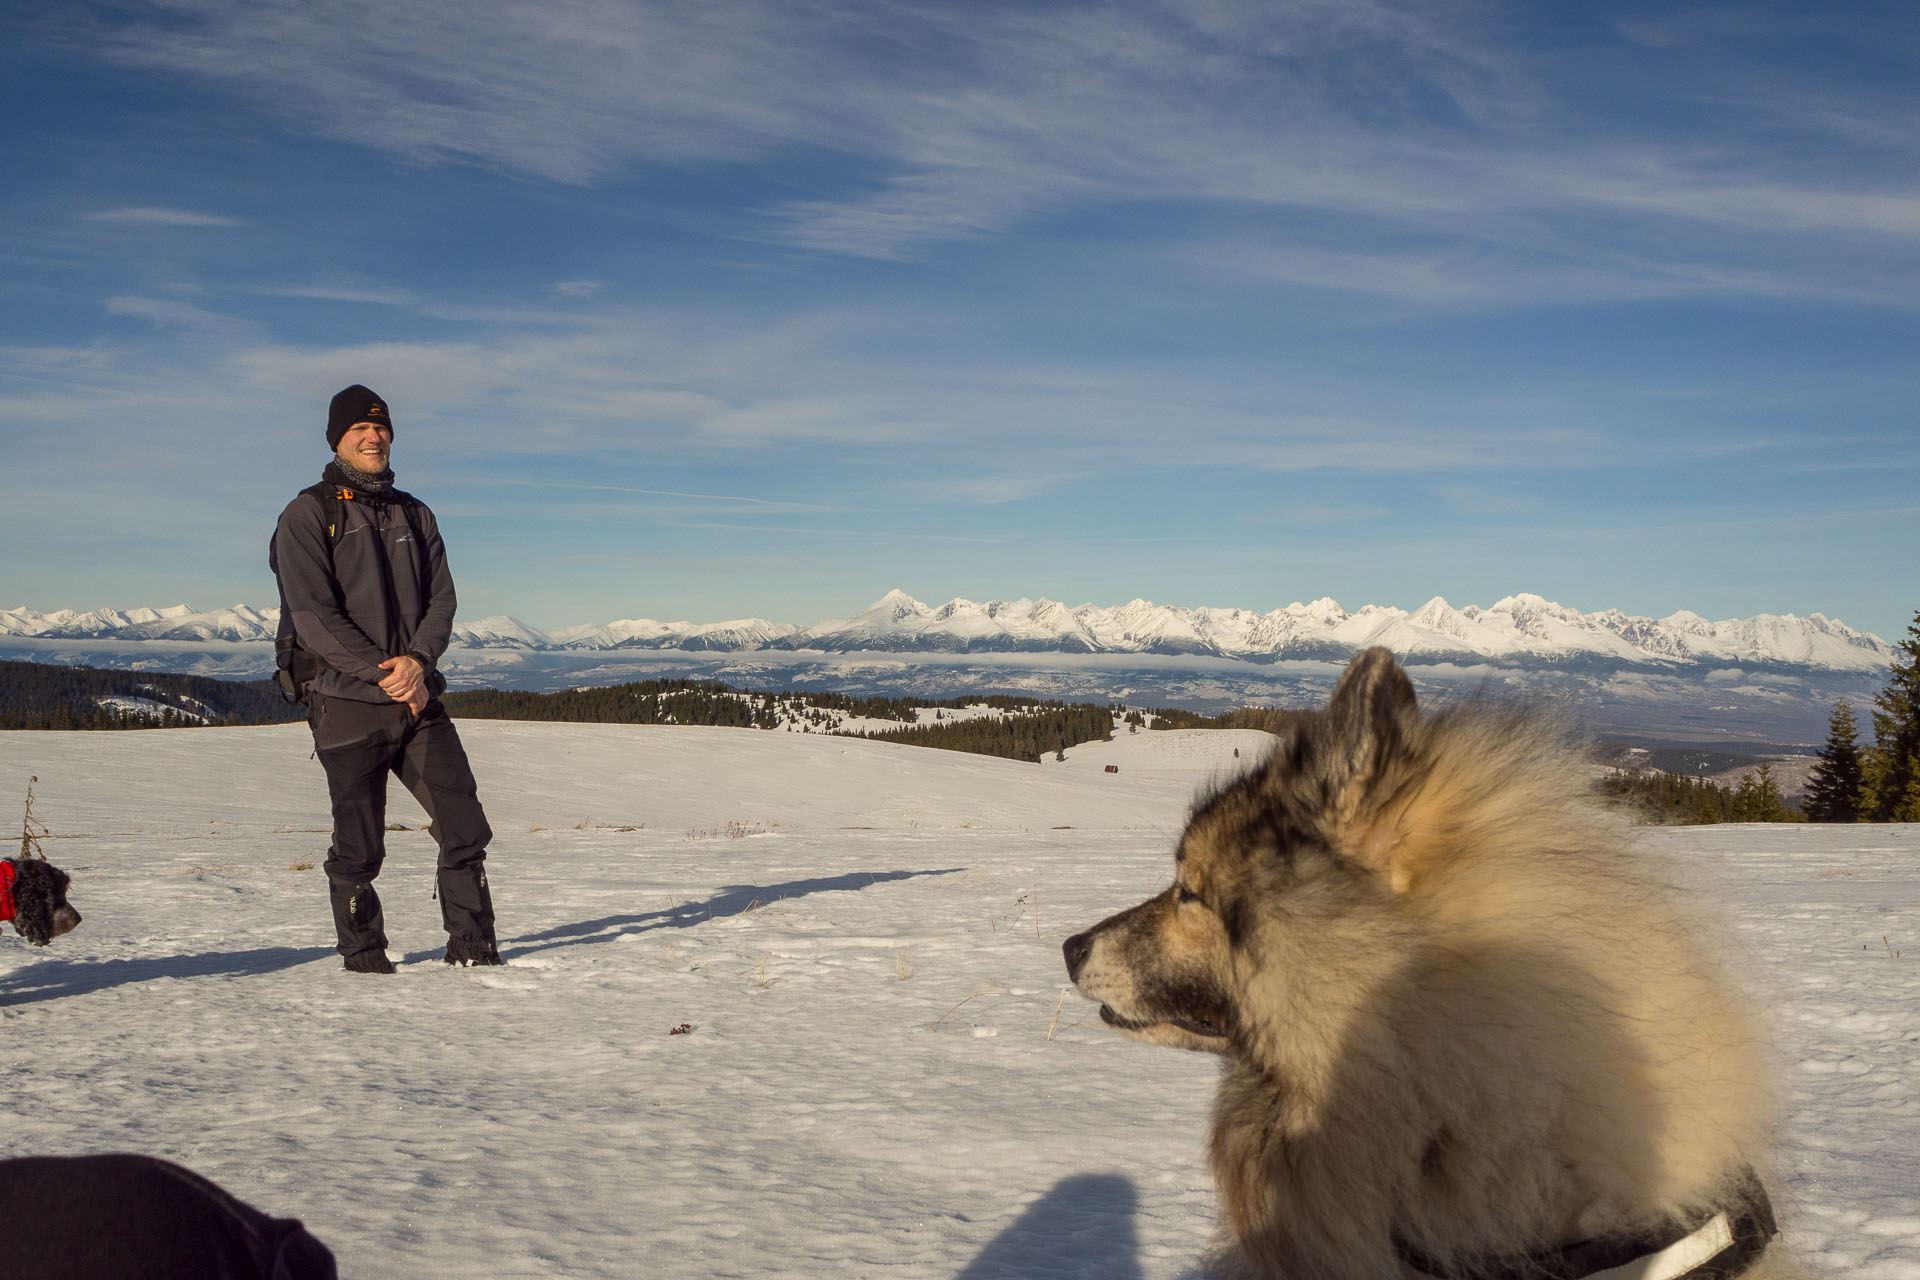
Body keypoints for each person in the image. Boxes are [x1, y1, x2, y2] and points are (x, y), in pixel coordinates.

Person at [270, 384, 501, 972]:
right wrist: (386, 673)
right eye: (359, 431)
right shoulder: (307, 514)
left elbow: (441, 599)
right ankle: (364, 954)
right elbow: (315, 619)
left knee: (464, 826)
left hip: (417, 699)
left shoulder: (415, 513)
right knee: (360, 847)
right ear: (338, 440)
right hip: (345, 703)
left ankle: (472, 948)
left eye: (382, 429)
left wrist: (418, 664)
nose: (374, 438)